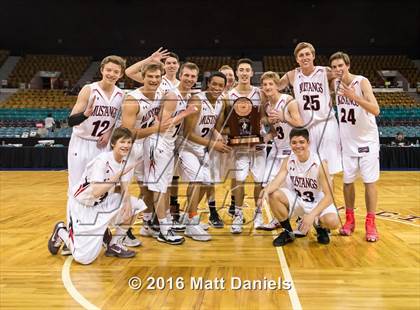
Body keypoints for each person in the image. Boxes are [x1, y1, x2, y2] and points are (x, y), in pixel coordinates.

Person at [48, 127, 147, 264]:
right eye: (122, 142)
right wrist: (117, 175)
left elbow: (124, 187)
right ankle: (61, 231)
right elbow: (96, 192)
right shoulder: (102, 161)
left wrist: (127, 203)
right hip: (82, 206)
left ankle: (114, 244)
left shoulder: (124, 162)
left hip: (101, 204)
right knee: (84, 259)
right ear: (113, 144)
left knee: (135, 205)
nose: (126, 145)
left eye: (129, 142)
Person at [63, 55, 126, 255]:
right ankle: (68, 235)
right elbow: (71, 121)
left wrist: (109, 133)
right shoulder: (89, 90)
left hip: (103, 146)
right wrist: (86, 114)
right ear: (102, 70)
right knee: (77, 190)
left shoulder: (120, 95)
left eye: (116, 71)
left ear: (121, 74)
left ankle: (99, 232)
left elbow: (116, 121)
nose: (112, 74)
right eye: (109, 70)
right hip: (82, 144)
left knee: (101, 191)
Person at [143, 62, 199, 245]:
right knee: (159, 188)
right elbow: (163, 124)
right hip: (158, 142)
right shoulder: (173, 96)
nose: (189, 79)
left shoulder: (185, 95)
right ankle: (164, 230)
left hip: (168, 144)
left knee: (164, 187)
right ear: (180, 76)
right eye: (187, 75)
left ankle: (161, 223)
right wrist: (186, 113)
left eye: (193, 76)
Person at [330, 51, 380, 242]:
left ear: (348, 65)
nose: (337, 69)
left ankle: (371, 223)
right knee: (348, 182)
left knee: (369, 182)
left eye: (340, 66)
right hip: (347, 142)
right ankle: (350, 220)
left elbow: (376, 110)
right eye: (334, 67)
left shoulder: (362, 81)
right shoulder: (335, 83)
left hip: (367, 140)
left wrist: (354, 97)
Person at [121, 61, 173, 244]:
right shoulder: (132, 99)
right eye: (150, 76)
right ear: (142, 77)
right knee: (123, 190)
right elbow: (127, 133)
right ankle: (122, 232)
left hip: (147, 145)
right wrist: (156, 129)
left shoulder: (161, 94)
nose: (153, 80)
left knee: (148, 188)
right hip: (128, 147)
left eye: (157, 77)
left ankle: (147, 223)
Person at [260, 128, 340, 246]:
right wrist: (264, 192)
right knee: (273, 194)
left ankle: (319, 227)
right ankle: (288, 232)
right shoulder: (289, 160)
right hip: (298, 200)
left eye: (302, 142)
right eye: (294, 142)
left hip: (317, 203)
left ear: (308, 143)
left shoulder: (320, 163)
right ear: (290, 144)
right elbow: (276, 182)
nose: (298, 146)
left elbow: (330, 196)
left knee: (332, 221)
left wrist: (312, 215)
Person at [276, 42, 342, 179]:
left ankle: (328, 200)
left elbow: (341, 76)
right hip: (306, 127)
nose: (304, 57)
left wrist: (331, 91)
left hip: (326, 123)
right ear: (297, 59)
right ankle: (313, 199)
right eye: (301, 55)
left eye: (307, 54)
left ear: (313, 56)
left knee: (328, 168)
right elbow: (276, 86)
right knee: (309, 167)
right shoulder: (292, 75)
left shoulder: (325, 71)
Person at [180, 72, 231, 240]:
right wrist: (213, 144)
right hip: (187, 146)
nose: (216, 88)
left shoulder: (221, 102)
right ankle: (192, 223)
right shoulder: (197, 101)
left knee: (205, 181)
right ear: (208, 84)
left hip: (202, 147)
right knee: (196, 179)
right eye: (213, 84)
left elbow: (214, 127)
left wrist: (219, 137)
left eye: (220, 85)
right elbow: (187, 133)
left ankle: (189, 217)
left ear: (224, 87)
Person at [258, 71, 303, 231]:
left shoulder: (288, 101)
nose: (268, 87)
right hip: (277, 150)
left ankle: (300, 218)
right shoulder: (267, 106)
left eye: (271, 84)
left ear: (277, 85)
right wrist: (268, 134)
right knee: (271, 186)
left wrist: (284, 117)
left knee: (293, 188)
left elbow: (299, 123)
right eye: (265, 85)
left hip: (292, 152)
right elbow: (275, 130)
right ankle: (279, 219)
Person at [227, 58, 265, 234]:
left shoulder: (260, 93)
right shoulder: (230, 95)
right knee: (240, 180)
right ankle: (238, 214)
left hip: (257, 144)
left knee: (259, 181)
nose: (244, 73)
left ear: (252, 73)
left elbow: (264, 117)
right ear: (237, 73)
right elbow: (226, 121)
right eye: (241, 70)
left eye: (247, 70)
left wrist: (260, 129)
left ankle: (258, 214)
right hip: (239, 146)